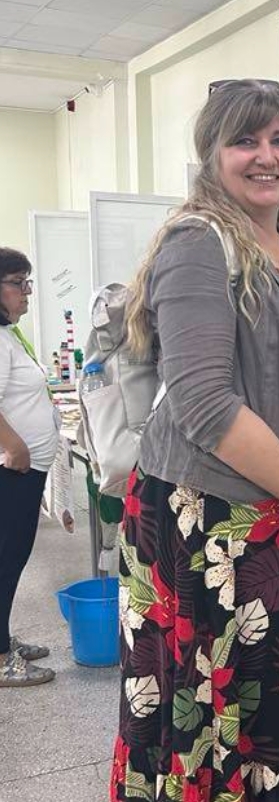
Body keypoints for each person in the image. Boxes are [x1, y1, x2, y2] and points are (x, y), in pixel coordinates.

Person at [111, 80, 279, 801]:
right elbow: (204, 402)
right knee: (240, 713)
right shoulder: (198, 242)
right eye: (244, 141)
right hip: (220, 525)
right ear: (212, 155)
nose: (266, 157)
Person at [0, 248, 58, 688]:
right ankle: (0, 657)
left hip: (23, 470)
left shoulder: (9, 335)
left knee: (12, 557)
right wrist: (14, 446)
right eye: (18, 283)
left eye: (27, 282)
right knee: (6, 558)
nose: (27, 292)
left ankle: (2, 639)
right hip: (12, 469)